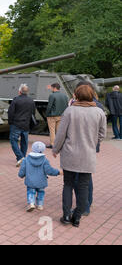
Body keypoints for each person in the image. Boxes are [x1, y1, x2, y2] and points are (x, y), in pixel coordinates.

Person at [53, 85, 106, 227]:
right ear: (91, 95)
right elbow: (102, 134)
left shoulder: (69, 111)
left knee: (68, 184)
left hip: (70, 154)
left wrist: (55, 149)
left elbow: (61, 134)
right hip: (88, 155)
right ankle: (77, 217)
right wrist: (92, 144)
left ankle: (65, 215)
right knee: (83, 187)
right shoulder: (99, 112)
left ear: (76, 95)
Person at [18, 141, 61, 212]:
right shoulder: (45, 160)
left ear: (32, 149)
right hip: (41, 181)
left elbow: (22, 170)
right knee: (41, 192)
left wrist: (20, 175)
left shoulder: (26, 159)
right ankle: (40, 205)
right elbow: (49, 170)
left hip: (30, 181)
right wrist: (58, 172)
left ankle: (31, 203)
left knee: (31, 192)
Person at [8, 84, 36, 167]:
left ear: (19, 91)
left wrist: (10, 122)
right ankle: (23, 157)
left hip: (16, 123)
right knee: (24, 141)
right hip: (26, 124)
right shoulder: (31, 101)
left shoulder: (16, 100)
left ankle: (20, 157)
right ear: (27, 92)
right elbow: (33, 113)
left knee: (13, 140)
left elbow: (11, 112)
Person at [46, 83, 69, 149]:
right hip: (61, 115)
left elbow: (49, 106)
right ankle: (59, 144)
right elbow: (66, 106)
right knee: (59, 131)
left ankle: (52, 144)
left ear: (54, 88)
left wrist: (47, 114)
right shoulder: (65, 95)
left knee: (52, 130)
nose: (51, 89)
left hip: (52, 116)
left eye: (52, 88)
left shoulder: (52, 95)